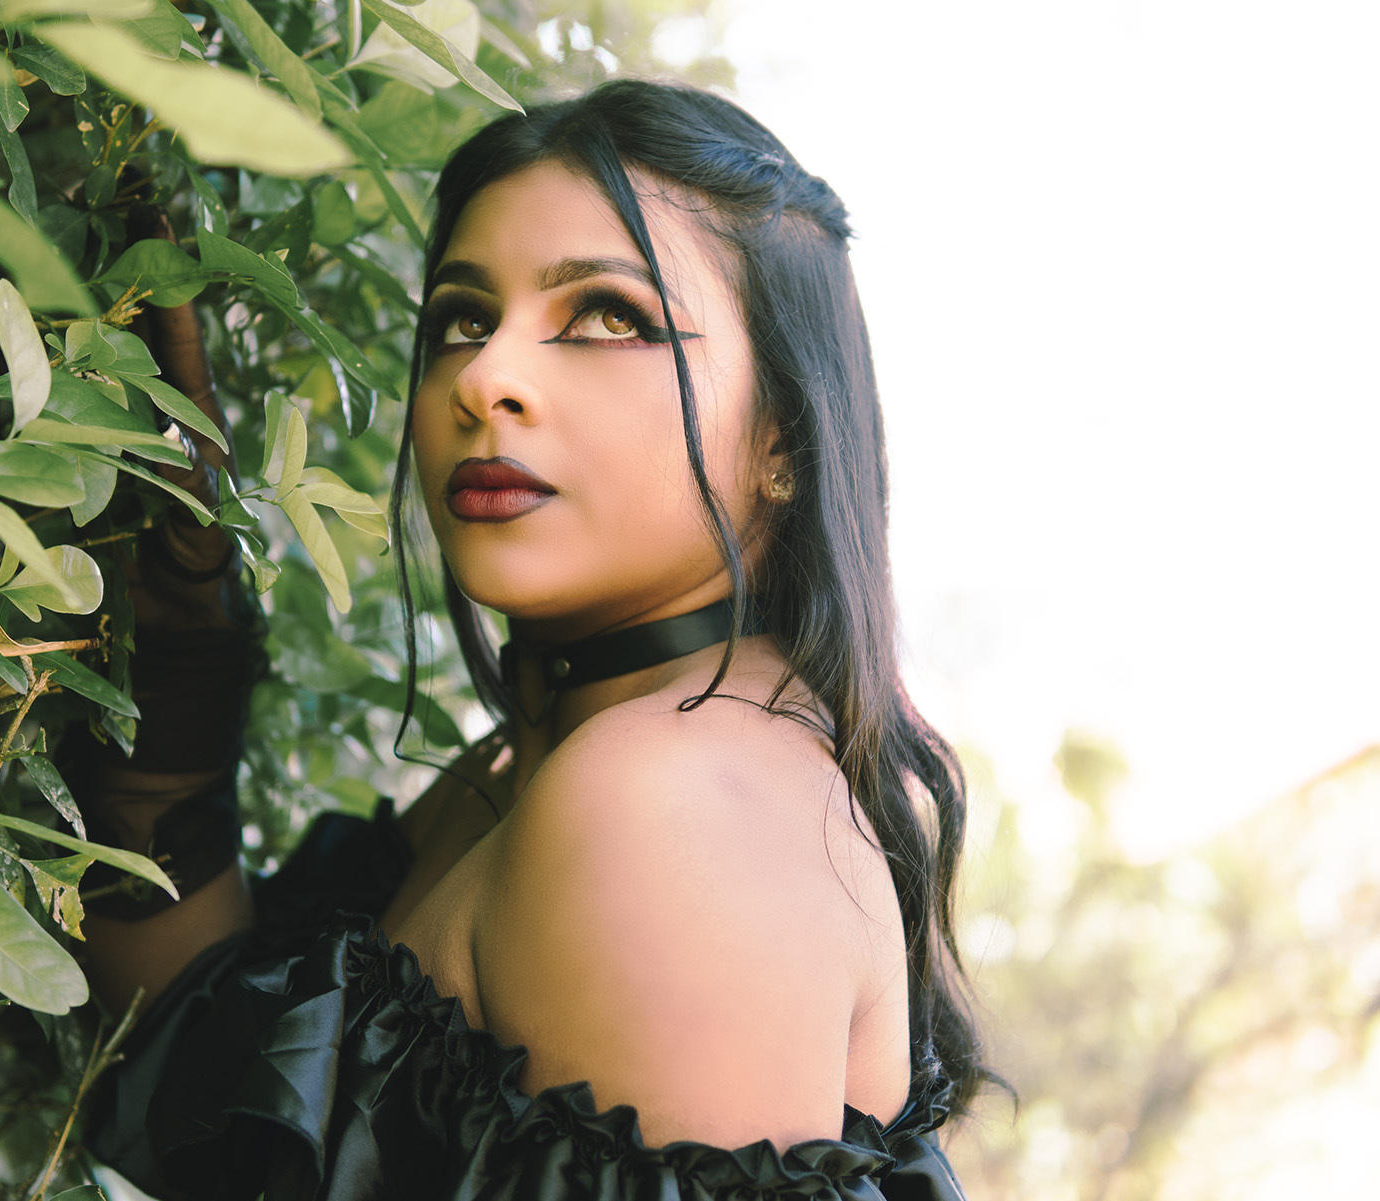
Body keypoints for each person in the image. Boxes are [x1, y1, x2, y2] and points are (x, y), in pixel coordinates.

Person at [73, 79, 991, 1200]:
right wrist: (176, 643)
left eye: (608, 316)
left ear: (783, 442)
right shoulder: (554, 756)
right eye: (462, 320)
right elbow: (205, 1070)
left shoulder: (669, 803)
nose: (484, 378)